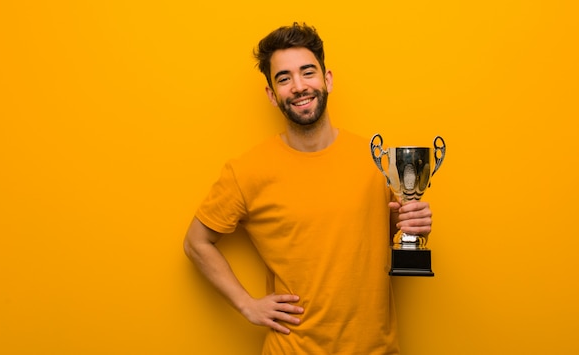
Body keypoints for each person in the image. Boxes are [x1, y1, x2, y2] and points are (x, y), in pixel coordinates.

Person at [183, 22, 433, 354]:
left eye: (307, 72)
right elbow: (196, 243)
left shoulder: (378, 161)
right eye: (284, 79)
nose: (299, 86)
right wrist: (247, 304)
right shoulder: (247, 171)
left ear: (327, 79)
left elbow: (390, 236)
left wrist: (414, 224)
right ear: (272, 95)